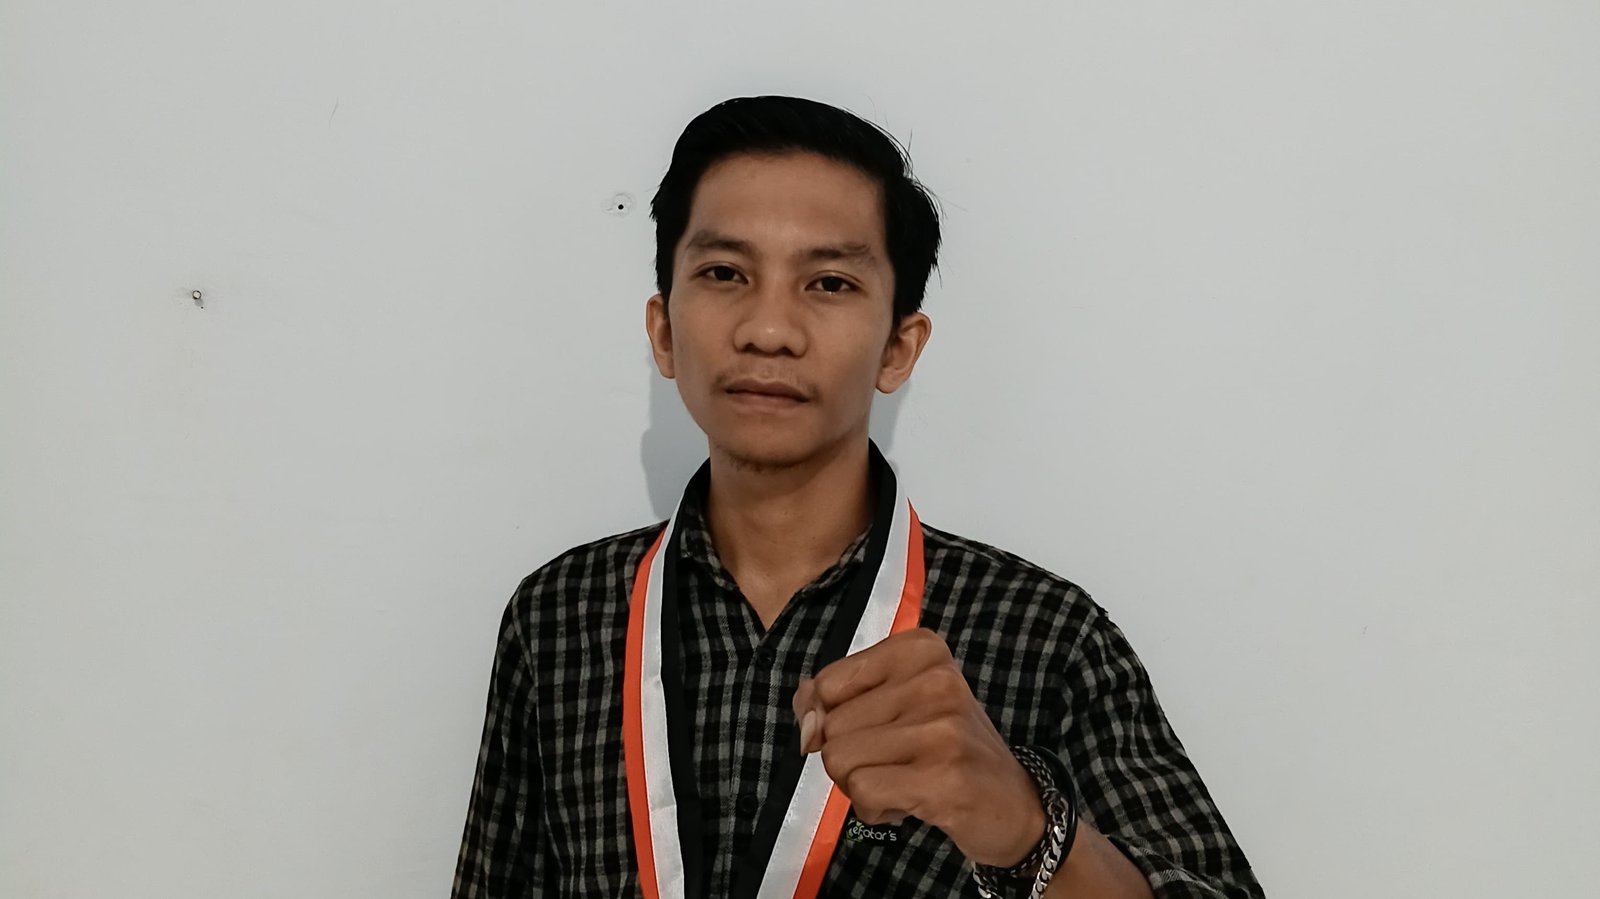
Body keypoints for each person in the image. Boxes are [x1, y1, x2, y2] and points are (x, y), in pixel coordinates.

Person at [452, 95, 1263, 899]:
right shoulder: (559, 616)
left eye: (830, 282)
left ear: (898, 348)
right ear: (664, 330)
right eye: (725, 273)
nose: (770, 330)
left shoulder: (1047, 636)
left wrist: (1023, 827)